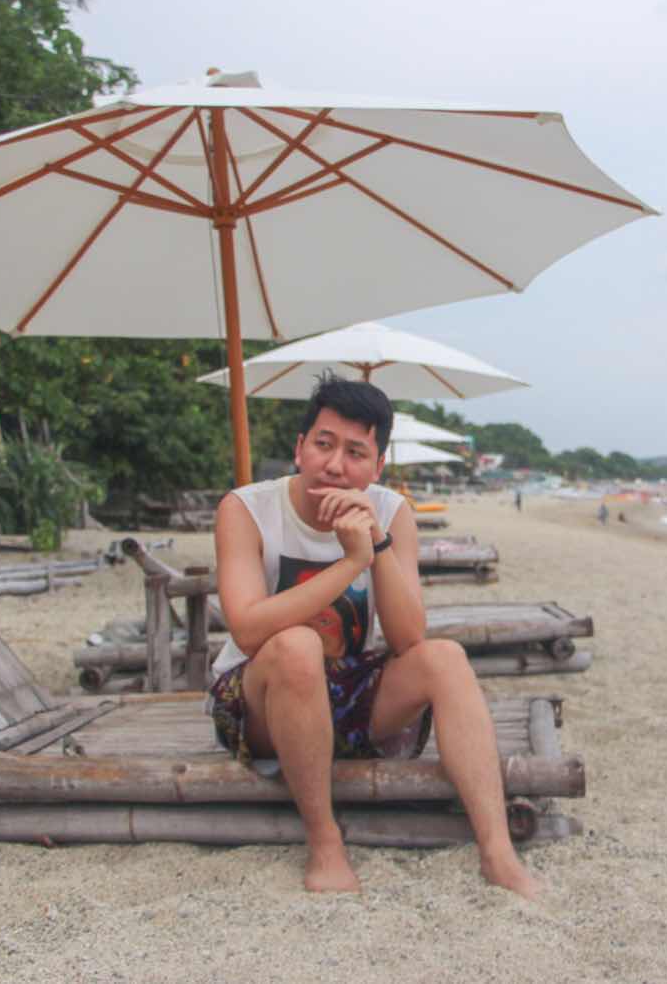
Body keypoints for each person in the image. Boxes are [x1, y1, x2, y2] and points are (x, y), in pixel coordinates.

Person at [210, 376, 538, 897]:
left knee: (445, 658)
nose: (335, 465)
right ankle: (325, 842)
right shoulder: (247, 509)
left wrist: (377, 543)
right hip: (259, 702)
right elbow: (248, 630)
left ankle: (497, 850)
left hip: (349, 697)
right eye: (323, 444)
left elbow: (409, 638)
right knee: (297, 646)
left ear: (378, 465)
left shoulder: (390, 511)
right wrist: (352, 562)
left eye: (356, 452)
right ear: (299, 447)